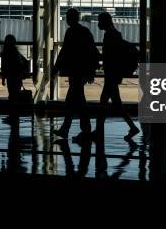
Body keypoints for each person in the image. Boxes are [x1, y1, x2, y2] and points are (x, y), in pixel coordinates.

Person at [53, 8, 99, 142]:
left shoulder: (71, 32)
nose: (66, 19)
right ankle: (78, 129)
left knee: (74, 101)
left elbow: (65, 52)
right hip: (82, 71)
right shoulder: (85, 32)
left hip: (75, 72)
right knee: (78, 100)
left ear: (71, 18)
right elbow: (92, 52)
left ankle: (75, 129)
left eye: (67, 17)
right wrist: (91, 71)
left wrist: (56, 67)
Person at [94, 12, 140, 140]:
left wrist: (97, 57)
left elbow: (110, 57)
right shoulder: (115, 34)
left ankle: (98, 131)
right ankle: (132, 127)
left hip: (111, 75)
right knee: (115, 103)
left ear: (105, 21)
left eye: (99, 21)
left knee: (104, 102)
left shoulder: (110, 35)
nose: (98, 23)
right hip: (114, 74)